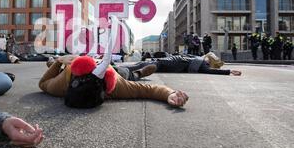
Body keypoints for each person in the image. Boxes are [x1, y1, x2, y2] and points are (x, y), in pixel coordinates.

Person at [40, 54, 188, 109]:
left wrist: (59, 61)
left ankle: (136, 71)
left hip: (77, 64)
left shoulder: (58, 86)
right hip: (116, 72)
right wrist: (170, 94)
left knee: (123, 70)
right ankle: (137, 73)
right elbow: (148, 90)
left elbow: (43, 83)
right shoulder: (117, 87)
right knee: (127, 73)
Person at [125, 53, 242, 76]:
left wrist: (228, 71)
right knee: (140, 65)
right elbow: (209, 71)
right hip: (166, 63)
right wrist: (228, 71)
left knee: (141, 64)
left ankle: (117, 69)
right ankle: (116, 70)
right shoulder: (201, 63)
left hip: (166, 62)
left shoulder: (197, 59)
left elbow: (209, 70)